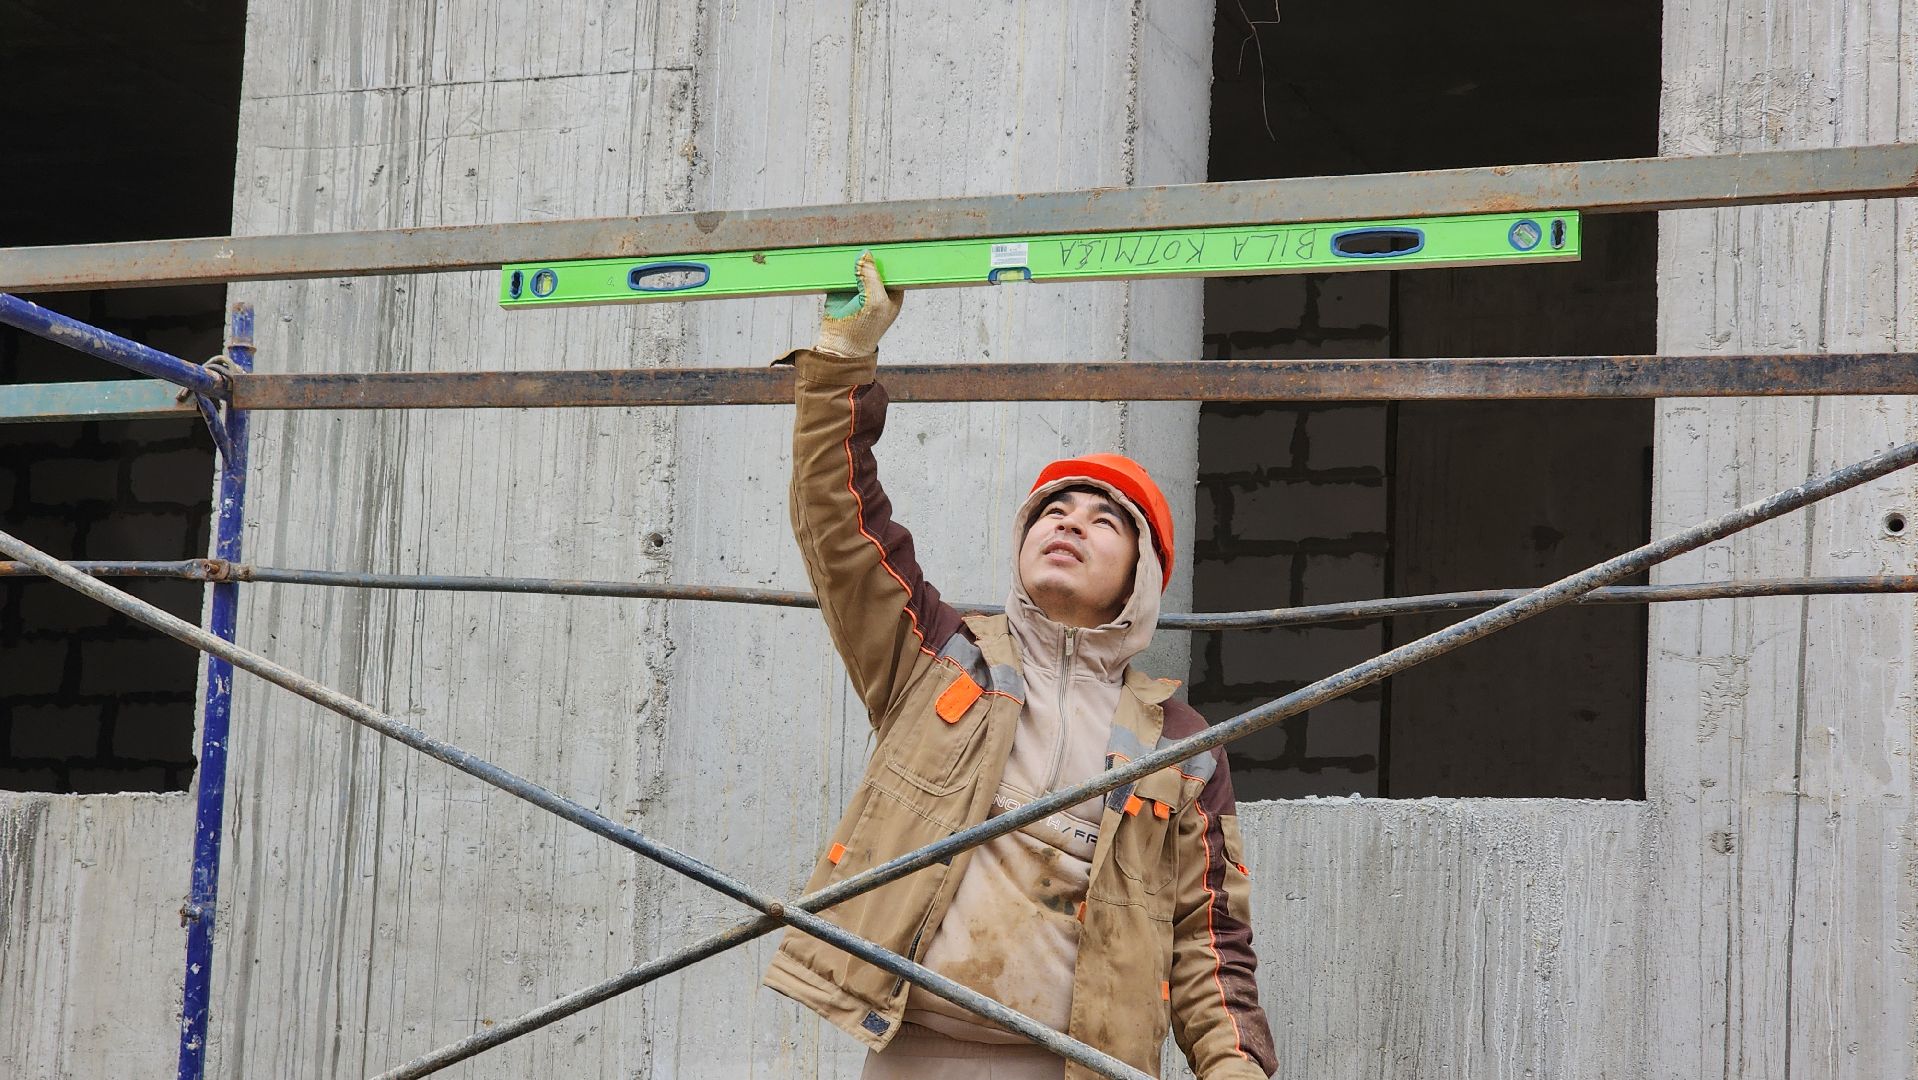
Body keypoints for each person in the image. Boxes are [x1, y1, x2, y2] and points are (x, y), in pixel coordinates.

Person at [764, 254, 1276, 1080]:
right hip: (915, 1059)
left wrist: (1235, 1069)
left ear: (1141, 576)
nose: (1068, 523)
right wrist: (840, 362)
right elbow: (841, 526)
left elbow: (1210, 948)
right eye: (1053, 510)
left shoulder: (1181, 749)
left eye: (1104, 521)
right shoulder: (940, 660)